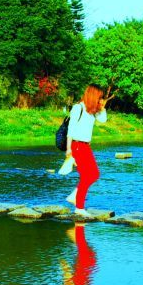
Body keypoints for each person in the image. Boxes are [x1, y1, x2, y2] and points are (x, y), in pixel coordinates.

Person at [64, 85, 108, 218]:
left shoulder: (92, 109)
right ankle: (79, 207)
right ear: (93, 95)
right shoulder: (79, 108)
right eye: (99, 97)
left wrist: (102, 107)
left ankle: (75, 196)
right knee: (87, 175)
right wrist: (68, 149)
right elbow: (70, 129)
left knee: (94, 174)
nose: (101, 99)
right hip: (77, 145)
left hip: (85, 146)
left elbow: (103, 120)